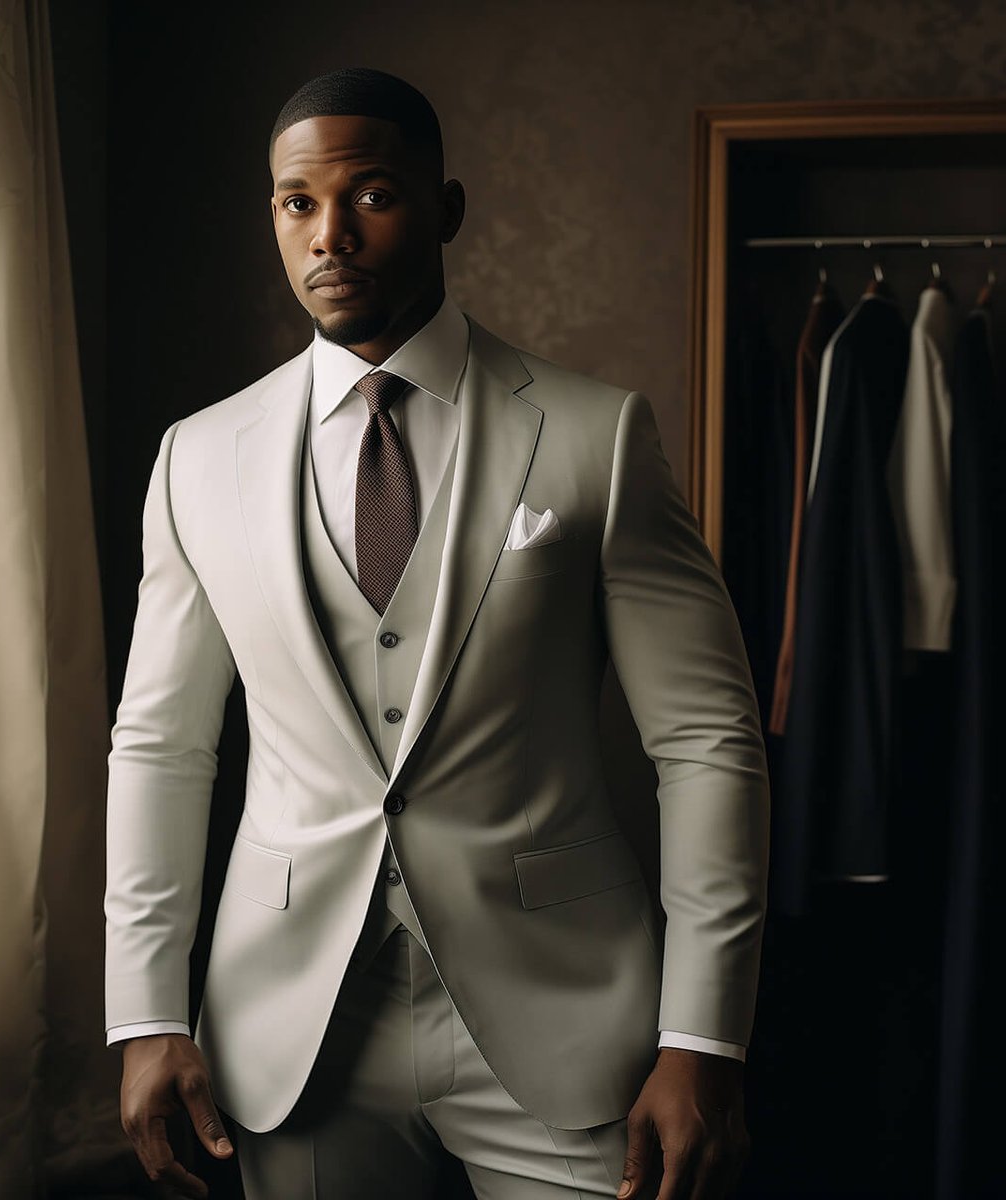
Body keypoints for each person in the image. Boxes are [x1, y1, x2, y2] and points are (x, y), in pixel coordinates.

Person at [103, 66, 770, 1200]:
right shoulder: (197, 458)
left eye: (369, 196)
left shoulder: (596, 437)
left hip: (562, 1018)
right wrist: (146, 1011)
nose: (331, 238)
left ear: (445, 208)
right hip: (292, 1036)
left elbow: (707, 742)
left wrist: (702, 1039)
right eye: (296, 204)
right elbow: (162, 746)